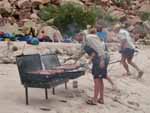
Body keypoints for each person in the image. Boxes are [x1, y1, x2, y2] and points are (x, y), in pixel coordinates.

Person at [75, 28, 107, 105]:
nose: (76, 40)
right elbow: (81, 52)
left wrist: (102, 60)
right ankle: (101, 98)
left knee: (96, 79)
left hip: (100, 59)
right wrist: (73, 59)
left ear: (80, 35)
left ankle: (95, 100)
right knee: (99, 79)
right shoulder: (84, 41)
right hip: (97, 60)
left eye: (76, 37)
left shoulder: (89, 38)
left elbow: (99, 48)